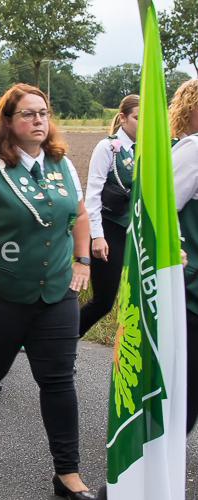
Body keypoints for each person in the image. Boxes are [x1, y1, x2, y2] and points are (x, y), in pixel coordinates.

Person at [0, 84, 96, 499]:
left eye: (44, 113)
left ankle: (67, 474)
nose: (39, 121)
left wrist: (83, 262)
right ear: (8, 122)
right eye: (29, 114)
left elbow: (80, 214)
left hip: (55, 294)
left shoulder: (62, 164)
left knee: (58, 380)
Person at [79, 95, 139, 337]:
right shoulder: (108, 147)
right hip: (109, 230)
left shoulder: (147, 150)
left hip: (134, 234)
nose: (142, 123)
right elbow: (92, 195)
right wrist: (97, 236)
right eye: (137, 118)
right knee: (103, 301)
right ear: (123, 118)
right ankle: (63, 345)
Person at [169, 78, 198, 433]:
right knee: (185, 401)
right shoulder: (192, 151)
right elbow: (158, 213)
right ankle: (122, 489)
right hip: (192, 295)